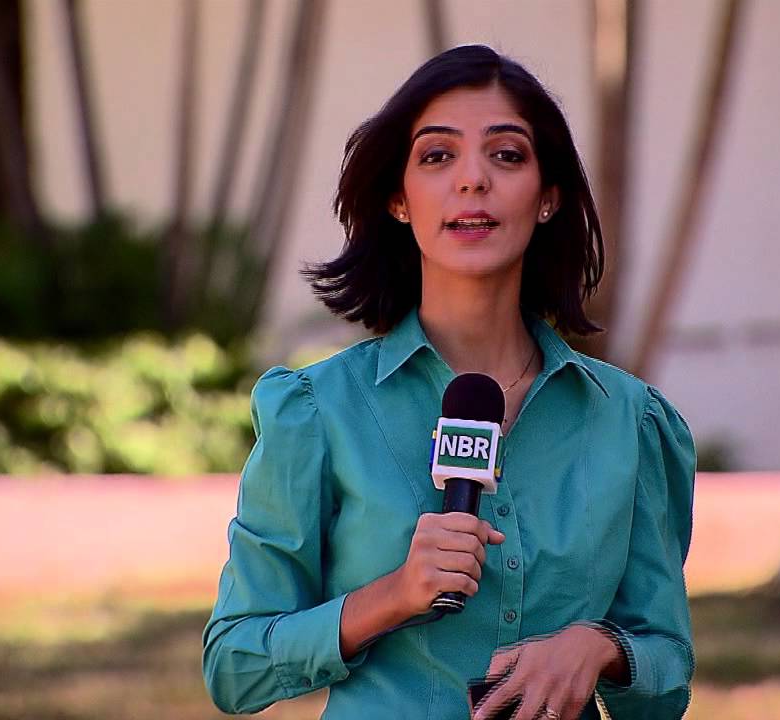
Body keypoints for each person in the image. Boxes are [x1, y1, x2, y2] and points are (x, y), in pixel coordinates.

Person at [203, 44, 695, 720]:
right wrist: (393, 596)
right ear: (399, 200)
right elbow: (235, 666)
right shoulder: (319, 412)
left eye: (506, 155)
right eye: (438, 156)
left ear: (548, 198)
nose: (472, 180)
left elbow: (665, 683)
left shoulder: (628, 420)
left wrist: (599, 648)